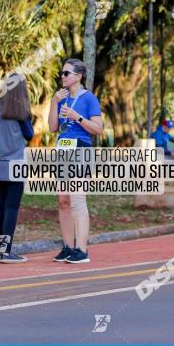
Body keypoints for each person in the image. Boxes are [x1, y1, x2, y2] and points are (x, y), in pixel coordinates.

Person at [47, 59, 104, 264]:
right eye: (61, 73)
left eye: (66, 73)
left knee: (78, 199)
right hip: (63, 149)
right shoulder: (60, 98)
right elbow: (53, 127)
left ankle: (82, 250)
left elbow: (98, 128)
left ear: (78, 76)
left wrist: (77, 117)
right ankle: (68, 247)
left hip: (81, 148)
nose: (62, 76)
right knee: (63, 200)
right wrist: (54, 103)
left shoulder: (89, 99)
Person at [0, 73, 33, 263]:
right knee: (11, 208)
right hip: (16, 165)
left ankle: (0, 250)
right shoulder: (20, 111)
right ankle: (5, 252)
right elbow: (29, 134)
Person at [151, 119, 174, 184]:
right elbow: (159, 149)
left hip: (165, 154)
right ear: (164, 126)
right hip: (158, 156)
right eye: (168, 128)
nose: (169, 129)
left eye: (170, 128)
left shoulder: (166, 133)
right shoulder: (157, 134)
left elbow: (173, 139)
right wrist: (171, 153)